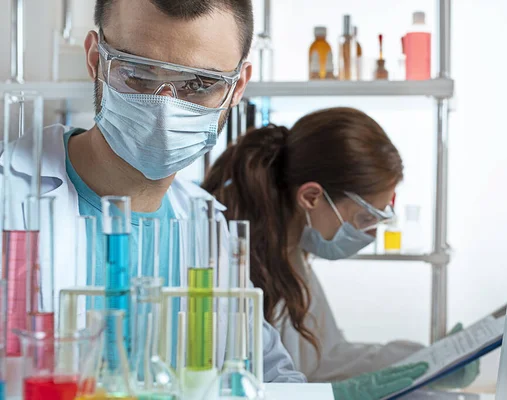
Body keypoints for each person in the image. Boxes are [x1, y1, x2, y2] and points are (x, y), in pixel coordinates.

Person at [0, 0, 306, 383]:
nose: (164, 107)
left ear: (237, 86)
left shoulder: (208, 226)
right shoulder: (8, 198)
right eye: (137, 73)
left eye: (198, 84)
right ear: (96, 59)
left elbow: (271, 376)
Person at [204, 108, 479, 390]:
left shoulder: (288, 253)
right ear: (311, 197)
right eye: (365, 218)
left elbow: (322, 358)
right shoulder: (231, 258)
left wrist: (429, 360)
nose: (369, 234)